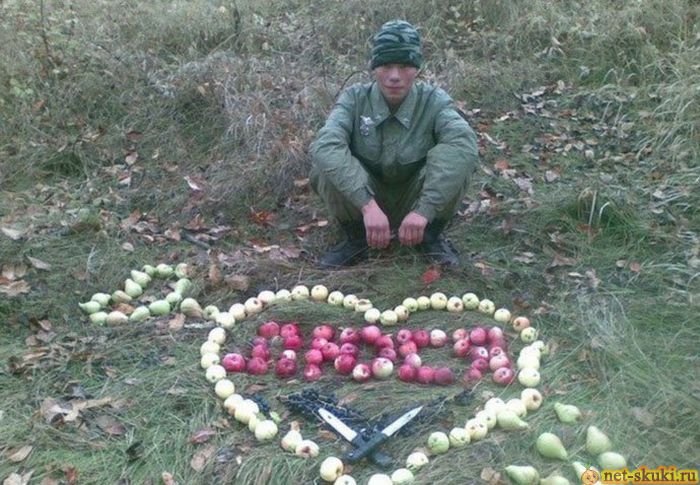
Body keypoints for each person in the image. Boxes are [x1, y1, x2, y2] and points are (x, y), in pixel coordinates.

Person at [309, 20, 479, 269]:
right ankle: (357, 239)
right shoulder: (354, 99)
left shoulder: (434, 101)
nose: (395, 77)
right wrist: (367, 206)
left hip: (416, 198)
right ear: (374, 68)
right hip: (365, 198)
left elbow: (463, 145)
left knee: (459, 163)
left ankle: (430, 237)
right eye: (386, 66)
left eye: (405, 66)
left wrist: (424, 210)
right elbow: (325, 144)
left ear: (417, 69)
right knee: (324, 166)